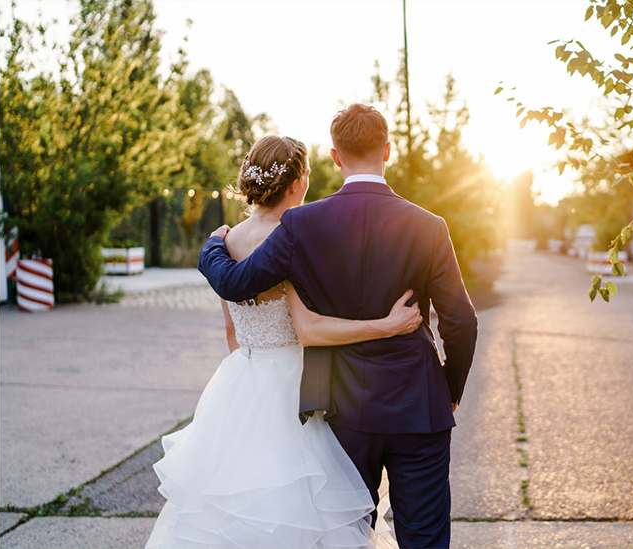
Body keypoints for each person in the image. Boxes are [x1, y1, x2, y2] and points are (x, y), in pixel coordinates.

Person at [197, 104, 479, 548]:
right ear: (387, 151)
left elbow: (235, 282)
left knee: (346, 537)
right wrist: (450, 390)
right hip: (419, 406)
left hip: (342, 411)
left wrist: (212, 245)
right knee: (424, 539)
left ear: (335, 157)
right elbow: (461, 321)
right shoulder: (429, 226)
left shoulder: (302, 224)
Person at [146, 135, 424, 548]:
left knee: (230, 506)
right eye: (308, 174)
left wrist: (251, 386)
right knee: (306, 511)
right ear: (295, 183)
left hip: (240, 382)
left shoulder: (225, 239)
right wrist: (386, 325)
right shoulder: (294, 237)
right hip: (294, 385)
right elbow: (309, 329)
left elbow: (231, 331)